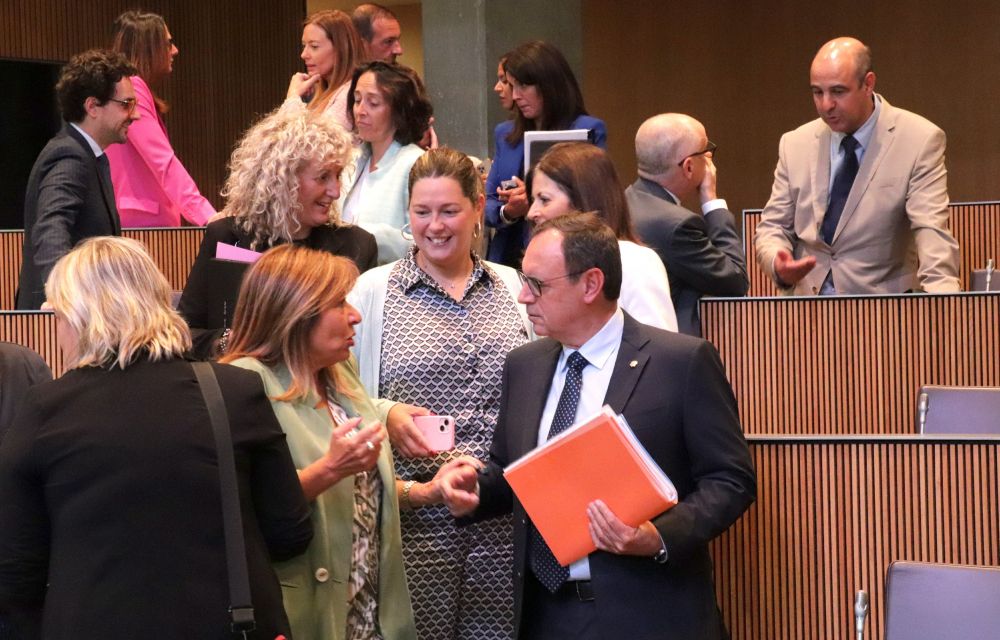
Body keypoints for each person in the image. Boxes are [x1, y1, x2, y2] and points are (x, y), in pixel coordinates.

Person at [438, 213, 756, 640]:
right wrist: (475, 489)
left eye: (537, 284)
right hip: (546, 616)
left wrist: (658, 536)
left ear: (590, 284)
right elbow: (512, 472)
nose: (523, 297)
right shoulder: (524, 365)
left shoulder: (680, 362)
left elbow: (731, 480)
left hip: (648, 615)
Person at [0, 237, 312, 639]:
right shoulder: (236, 392)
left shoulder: (44, 410)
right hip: (229, 624)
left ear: (78, 317)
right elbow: (289, 533)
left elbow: (16, 571)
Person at [348, 148, 532, 639]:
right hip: (413, 524)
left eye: (449, 211)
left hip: (505, 525)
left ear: (477, 207)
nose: (434, 226)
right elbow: (341, 394)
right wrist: (386, 412)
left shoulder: (514, 288)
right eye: (421, 211)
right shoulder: (372, 292)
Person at [221, 244, 422, 640]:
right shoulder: (244, 382)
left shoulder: (339, 371)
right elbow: (243, 508)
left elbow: (360, 493)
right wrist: (328, 470)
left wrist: (425, 492)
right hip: (304, 616)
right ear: (296, 311)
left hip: (369, 615)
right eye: (339, 304)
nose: (355, 315)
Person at [754, 36, 960, 295]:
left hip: (882, 308)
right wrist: (777, 262)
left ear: (868, 84)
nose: (826, 105)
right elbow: (773, 227)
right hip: (806, 309)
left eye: (838, 92)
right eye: (817, 92)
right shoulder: (794, 144)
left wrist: (942, 304)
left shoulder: (919, 139)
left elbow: (932, 231)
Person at [179, 106, 377, 344]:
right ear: (283, 181)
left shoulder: (357, 246)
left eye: (338, 175)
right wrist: (231, 342)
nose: (336, 191)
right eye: (323, 177)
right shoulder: (227, 237)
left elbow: (363, 342)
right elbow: (186, 333)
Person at [16, 49, 138, 310]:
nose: (134, 114)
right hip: (62, 322)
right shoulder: (69, 155)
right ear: (92, 106)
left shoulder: (87, 154)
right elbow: (51, 226)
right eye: (126, 104)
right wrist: (62, 296)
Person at [527, 142, 678, 331]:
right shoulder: (543, 265)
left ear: (582, 199)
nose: (531, 213)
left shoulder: (634, 261)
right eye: (533, 200)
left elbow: (657, 342)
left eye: (544, 200)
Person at [484, 40, 607, 268]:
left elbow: (594, 200)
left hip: (565, 254)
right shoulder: (505, 134)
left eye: (523, 86)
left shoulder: (586, 129)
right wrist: (508, 212)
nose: (516, 95)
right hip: (508, 258)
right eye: (512, 86)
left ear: (548, 85)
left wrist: (536, 198)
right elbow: (485, 203)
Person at [626, 113, 749, 336]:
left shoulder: (624, 203)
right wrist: (711, 201)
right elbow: (735, 281)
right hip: (668, 347)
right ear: (689, 167)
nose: (709, 157)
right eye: (705, 151)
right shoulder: (676, 226)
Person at [106, 10, 215, 228]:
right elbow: (163, 162)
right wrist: (207, 216)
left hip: (143, 222)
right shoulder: (133, 88)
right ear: (149, 48)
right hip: (143, 225)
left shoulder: (130, 88)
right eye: (168, 43)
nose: (175, 50)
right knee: (231, 247)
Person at [343, 61, 431, 264]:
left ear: (399, 111)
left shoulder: (416, 164)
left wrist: (362, 236)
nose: (360, 111)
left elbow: (424, 242)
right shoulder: (351, 160)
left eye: (373, 103)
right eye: (357, 100)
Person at [284, 9, 367, 132]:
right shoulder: (323, 93)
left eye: (314, 46)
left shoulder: (349, 93)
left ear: (341, 49)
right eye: (304, 46)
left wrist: (292, 97)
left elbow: (298, 140)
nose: (303, 55)